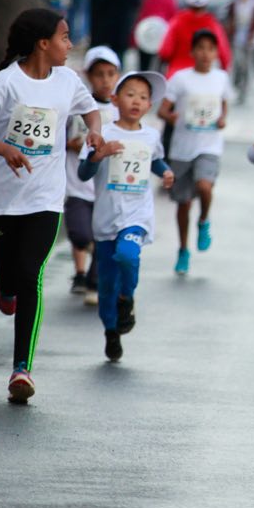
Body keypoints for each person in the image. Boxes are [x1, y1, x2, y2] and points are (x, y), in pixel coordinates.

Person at [0, 8, 107, 403]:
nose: (70, 45)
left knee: (30, 275)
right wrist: (5, 148)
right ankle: (2, 286)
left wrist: (94, 130)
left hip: (46, 199)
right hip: (0, 201)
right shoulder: (3, 85)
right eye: (65, 37)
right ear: (43, 43)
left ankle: (21, 369)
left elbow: (90, 108)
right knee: (10, 278)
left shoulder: (67, 80)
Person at [75, 71, 173, 362]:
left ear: (150, 105)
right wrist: (99, 154)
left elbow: (155, 161)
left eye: (143, 97)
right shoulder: (102, 132)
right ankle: (111, 331)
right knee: (106, 281)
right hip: (106, 217)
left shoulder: (152, 136)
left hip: (137, 214)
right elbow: (83, 173)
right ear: (115, 99)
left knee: (128, 256)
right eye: (130, 94)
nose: (136, 101)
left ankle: (126, 298)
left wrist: (165, 172)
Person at [159, 29, 232, 275]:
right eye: (200, 48)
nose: (205, 53)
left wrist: (222, 120)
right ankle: (182, 249)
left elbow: (223, 105)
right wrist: (171, 117)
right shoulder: (180, 78)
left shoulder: (221, 78)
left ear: (216, 53)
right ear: (192, 52)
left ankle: (204, 221)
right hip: (182, 148)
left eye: (210, 49)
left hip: (209, 145)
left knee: (204, 186)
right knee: (183, 203)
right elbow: (162, 110)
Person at [62, 48, 122, 298]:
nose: (105, 80)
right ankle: (82, 270)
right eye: (99, 74)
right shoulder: (77, 106)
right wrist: (72, 144)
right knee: (79, 233)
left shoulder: (121, 110)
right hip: (77, 183)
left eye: (110, 74)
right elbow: (57, 137)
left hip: (106, 187)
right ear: (88, 75)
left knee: (101, 233)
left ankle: (94, 283)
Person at [157, 0, 233, 77]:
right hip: (203, 77)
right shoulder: (213, 24)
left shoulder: (177, 21)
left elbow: (165, 51)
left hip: (177, 75)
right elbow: (224, 55)